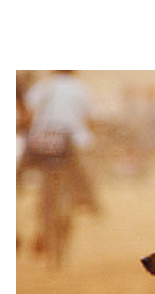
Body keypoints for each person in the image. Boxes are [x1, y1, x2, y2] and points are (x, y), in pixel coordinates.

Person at [17, 70, 99, 212]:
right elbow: (91, 118)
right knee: (86, 167)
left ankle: (18, 185)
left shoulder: (43, 87)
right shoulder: (81, 89)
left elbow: (28, 114)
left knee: (21, 167)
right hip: (73, 142)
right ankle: (88, 201)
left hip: (41, 141)